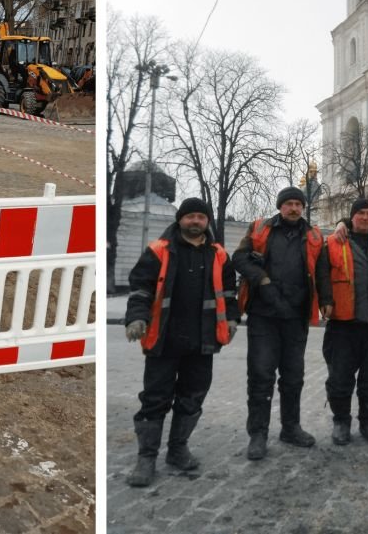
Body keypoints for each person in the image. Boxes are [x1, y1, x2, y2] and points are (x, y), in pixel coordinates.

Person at [123, 197, 239, 487]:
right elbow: (140, 289)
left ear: (207, 221)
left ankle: (177, 449)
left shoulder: (219, 255)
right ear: (180, 220)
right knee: (154, 399)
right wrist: (136, 318)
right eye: (190, 217)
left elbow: (228, 293)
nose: (196, 222)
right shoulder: (158, 251)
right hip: (164, 340)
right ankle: (146, 457)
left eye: (201, 217)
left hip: (202, 342)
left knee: (192, 398)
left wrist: (233, 318)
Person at [232, 186, 331, 460]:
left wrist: (327, 300)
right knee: (261, 376)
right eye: (288, 204)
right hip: (263, 316)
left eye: (298, 204)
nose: (294, 209)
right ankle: (258, 434)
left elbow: (322, 271)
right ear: (280, 207)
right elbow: (239, 258)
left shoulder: (313, 235)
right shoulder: (260, 229)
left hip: (296, 317)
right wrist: (261, 279)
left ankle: (291, 427)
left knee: (293, 377)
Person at [322, 198, 368, 445]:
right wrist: (325, 300)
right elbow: (322, 275)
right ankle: (341, 421)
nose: (365, 217)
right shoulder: (334, 242)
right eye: (360, 213)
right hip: (344, 322)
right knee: (340, 376)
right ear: (351, 216)